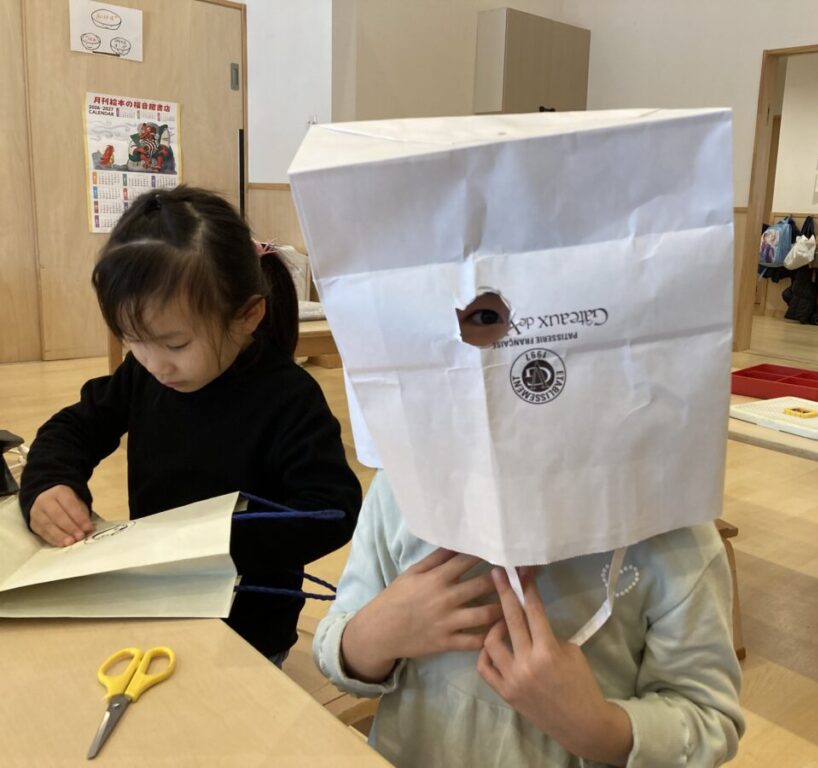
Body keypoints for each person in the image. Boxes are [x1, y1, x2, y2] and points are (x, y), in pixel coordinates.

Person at [312, 301, 744, 767]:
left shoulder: (671, 532)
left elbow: (711, 719)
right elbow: (337, 645)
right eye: (485, 319)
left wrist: (599, 728)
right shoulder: (403, 492)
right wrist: (373, 637)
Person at [19, 186, 362, 663]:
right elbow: (73, 427)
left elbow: (332, 511)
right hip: (157, 601)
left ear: (247, 316)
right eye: (133, 340)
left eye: (175, 344)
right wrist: (48, 482)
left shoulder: (288, 398)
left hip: (248, 626)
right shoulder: (143, 374)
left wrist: (208, 542)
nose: (154, 363)